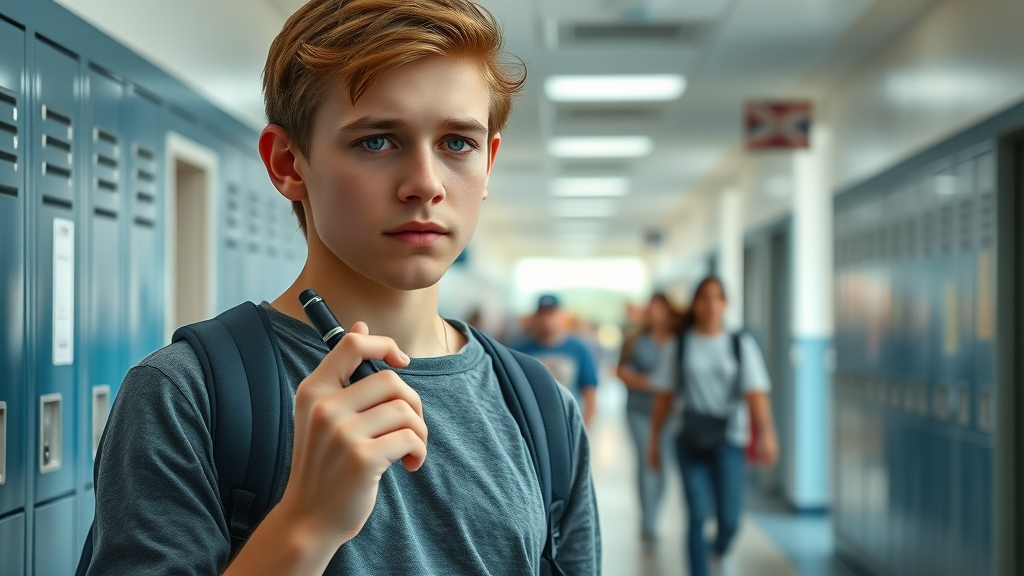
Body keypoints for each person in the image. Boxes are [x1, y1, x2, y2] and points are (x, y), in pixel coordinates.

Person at [81, 1, 601, 574]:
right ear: (287, 163)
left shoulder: (541, 410)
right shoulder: (186, 397)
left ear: (489, 164)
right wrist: (307, 523)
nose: (425, 184)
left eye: (457, 143)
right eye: (377, 141)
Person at [649, 276, 778, 576]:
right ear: (695, 304)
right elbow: (664, 399)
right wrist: (653, 442)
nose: (710, 304)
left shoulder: (739, 344)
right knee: (696, 515)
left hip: (731, 439)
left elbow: (756, 395)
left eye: (716, 298)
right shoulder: (679, 345)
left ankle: (717, 549)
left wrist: (768, 435)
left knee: (729, 519)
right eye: (703, 298)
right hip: (689, 437)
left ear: (725, 304)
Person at [616, 293, 680, 545]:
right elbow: (620, 370)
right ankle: (648, 522)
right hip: (639, 411)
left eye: (659, 309)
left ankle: (653, 513)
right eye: (650, 309)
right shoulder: (635, 340)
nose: (654, 314)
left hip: (669, 415)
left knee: (662, 467)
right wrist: (648, 383)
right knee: (646, 461)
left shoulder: (678, 341)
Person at [515, 295, 600, 427]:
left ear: (561, 316)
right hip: (531, 424)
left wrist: (584, 429)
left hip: (567, 423)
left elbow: (589, 392)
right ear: (535, 317)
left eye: (551, 313)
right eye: (542, 314)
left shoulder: (579, 350)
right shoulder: (518, 350)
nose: (546, 319)